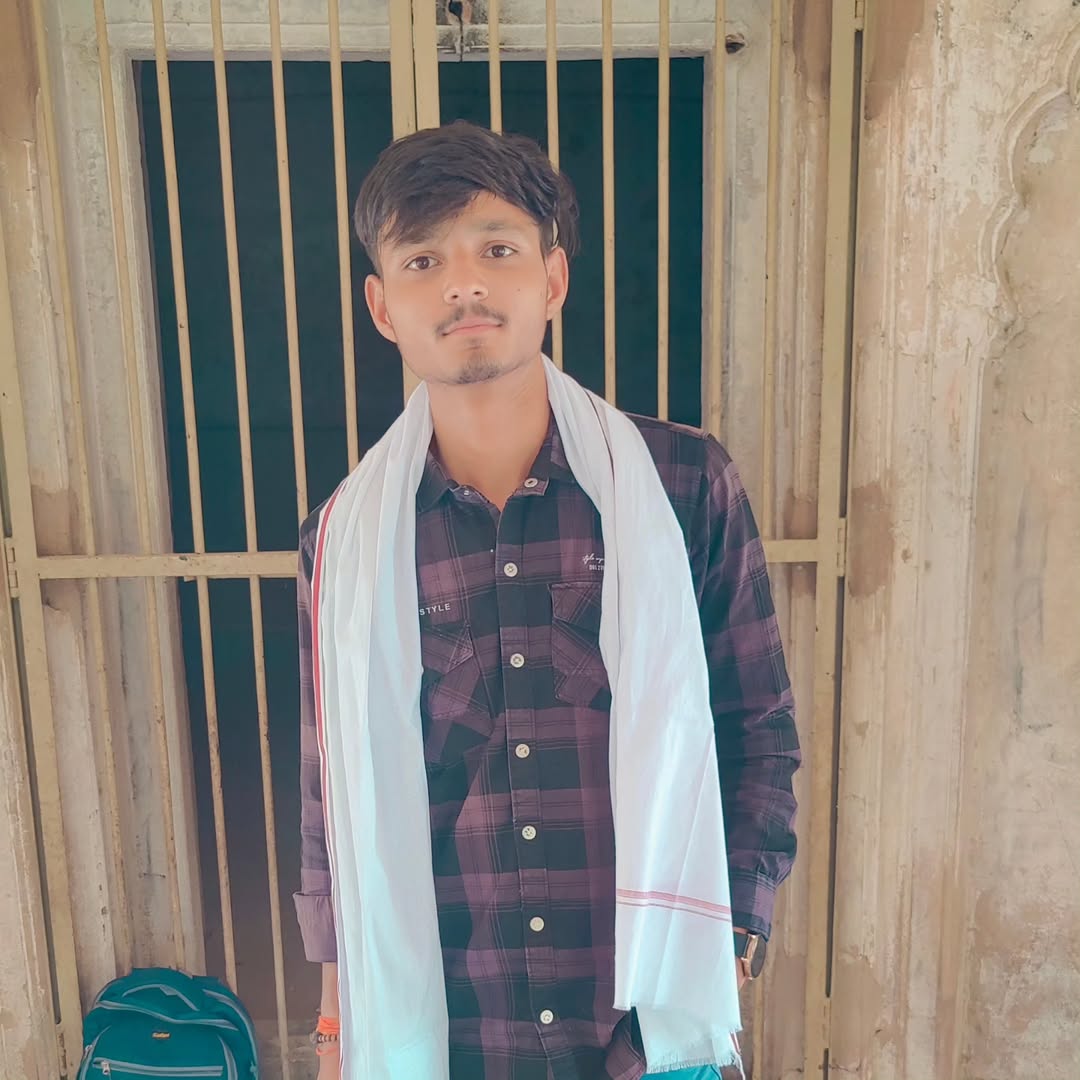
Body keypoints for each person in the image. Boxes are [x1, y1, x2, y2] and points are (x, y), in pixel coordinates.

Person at [293, 120, 800, 1080]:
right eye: (423, 260)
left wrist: (727, 944)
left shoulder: (682, 484)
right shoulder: (343, 540)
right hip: (448, 1030)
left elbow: (756, 726)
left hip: (643, 1024)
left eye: (497, 250)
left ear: (553, 279)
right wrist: (333, 1029)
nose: (463, 285)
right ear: (382, 306)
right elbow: (331, 802)